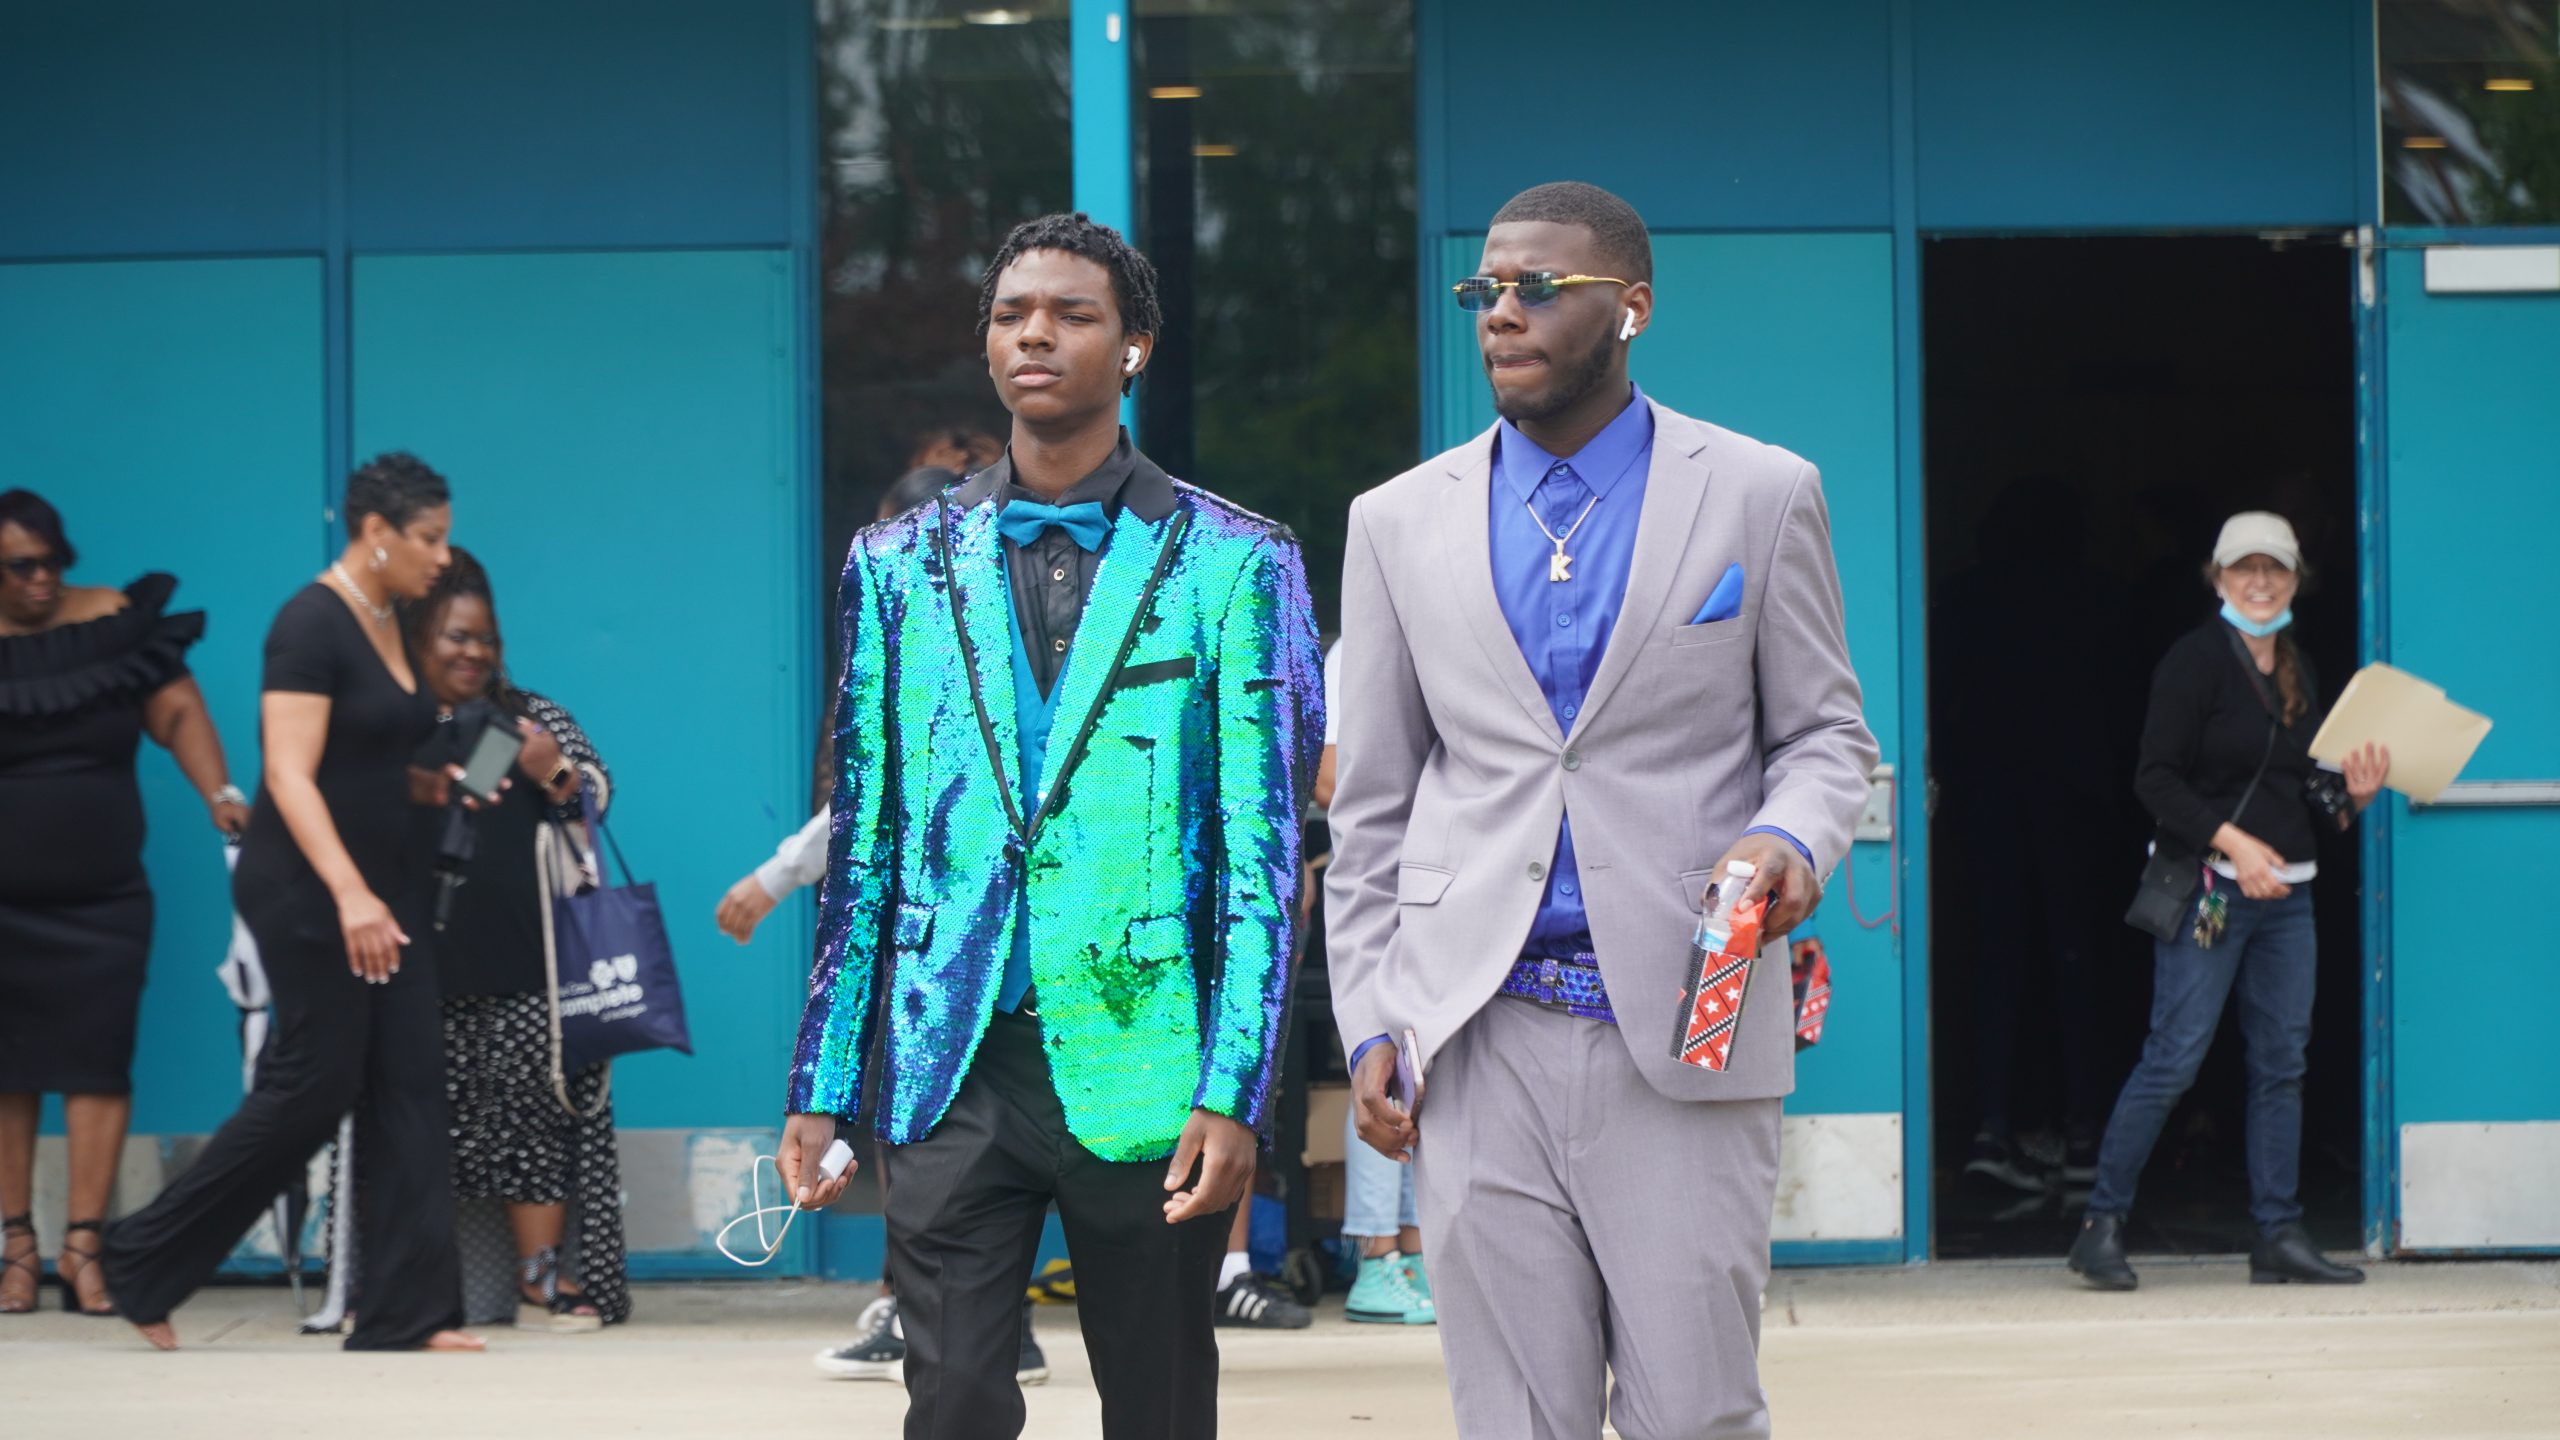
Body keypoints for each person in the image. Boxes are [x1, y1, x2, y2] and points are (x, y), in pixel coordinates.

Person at [1327, 181, 1877, 1439]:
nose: (1500, 312)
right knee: (1515, 1419)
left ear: (1631, 307)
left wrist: (1789, 837)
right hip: (1473, 1036)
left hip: (1684, 1024)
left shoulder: (1759, 492)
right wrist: (1368, 1021)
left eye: (1538, 287)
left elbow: (1825, 735)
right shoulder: (1396, 521)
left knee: (1695, 1416)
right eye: (1484, 290)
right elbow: (1372, 807)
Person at [777, 212, 1322, 1440]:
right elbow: (866, 845)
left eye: (1072, 314)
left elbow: (1261, 858)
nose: (1035, 334)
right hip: (952, 1054)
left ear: (1133, 348)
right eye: (1012, 313)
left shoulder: (1237, 561)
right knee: (952, 1400)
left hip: (1148, 1059)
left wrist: (1236, 1091)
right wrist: (822, 1080)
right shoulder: (897, 565)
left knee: (1159, 1404)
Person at [101, 453, 480, 1353]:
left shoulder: (389, 617)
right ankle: (140, 1259)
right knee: (314, 1087)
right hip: (312, 891)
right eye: (429, 538)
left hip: (384, 886)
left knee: (410, 1086)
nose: (442, 556)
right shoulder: (308, 624)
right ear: (376, 532)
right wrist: (350, 895)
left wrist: (428, 788)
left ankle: (407, 1314)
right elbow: (289, 774)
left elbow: (364, 758)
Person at [2068, 512, 2387, 1291]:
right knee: (2173, 1057)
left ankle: (2277, 1234)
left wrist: (2357, 796)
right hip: (2210, 891)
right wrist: (2234, 846)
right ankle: (2100, 1225)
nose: (2260, 582)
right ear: (2218, 578)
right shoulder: (2194, 663)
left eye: (2275, 569)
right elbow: (2154, 779)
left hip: (2289, 898)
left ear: (2296, 580)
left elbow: (2306, 790)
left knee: (2282, 1064)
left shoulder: (2299, 668)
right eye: (2245, 568)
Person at [0, 489, 249, 1317]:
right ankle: (15, 1249)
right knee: (8, 1070)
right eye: (20, 567)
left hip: (103, 898)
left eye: (52, 562)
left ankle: (82, 1249)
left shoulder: (111, 621)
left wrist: (220, 792)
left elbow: (176, 712)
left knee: (98, 1062)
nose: (41, 579)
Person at [409, 548, 629, 1331]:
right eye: (455, 636)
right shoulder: (389, 718)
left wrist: (552, 770)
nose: (474, 652)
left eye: (485, 638)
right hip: (415, 962)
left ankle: (541, 1281)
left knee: (536, 1117)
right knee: (417, 1123)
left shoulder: (529, 718)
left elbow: (593, 805)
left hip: (530, 961)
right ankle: (408, 1285)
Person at [1316, 640, 1431, 1327]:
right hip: (1385, 886)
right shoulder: (1352, 652)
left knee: (1428, 1061)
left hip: (1452, 891)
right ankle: (1375, 1257)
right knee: (1380, 1060)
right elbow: (1329, 777)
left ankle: (1415, 1253)